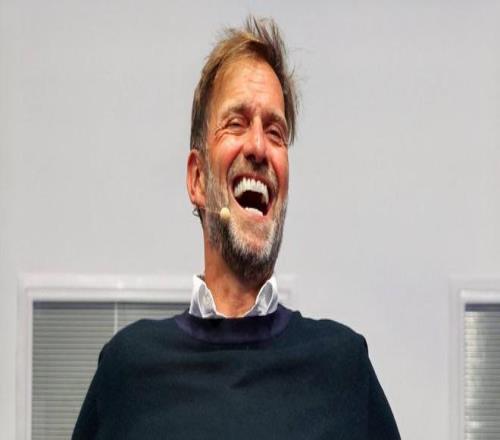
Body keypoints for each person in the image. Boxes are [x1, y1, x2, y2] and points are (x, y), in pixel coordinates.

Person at [72, 16, 401, 439]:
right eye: (236, 123)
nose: (259, 147)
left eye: (275, 131)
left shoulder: (344, 369)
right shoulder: (126, 372)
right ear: (197, 179)